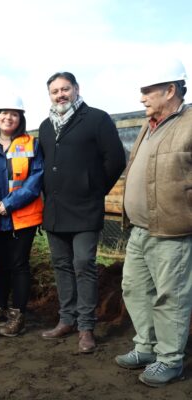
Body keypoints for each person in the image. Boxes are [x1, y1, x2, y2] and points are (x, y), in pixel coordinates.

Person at [115, 59, 192, 387]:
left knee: (170, 296)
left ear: (170, 90)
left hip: (172, 230)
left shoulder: (189, 123)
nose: (142, 98)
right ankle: (145, 347)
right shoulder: (150, 123)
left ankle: (170, 359)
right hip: (140, 229)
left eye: (148, 91)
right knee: (133, 289)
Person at [38, 72, 125, 353]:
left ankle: (86, 327)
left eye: (65, 89)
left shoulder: (97, 119)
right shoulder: (46, 126)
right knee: (62, 266)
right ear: (50, 95)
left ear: (76, 89)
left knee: (84, 264)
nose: (60, 95)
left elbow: (115, 159)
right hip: (54, 210)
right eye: (55, 91)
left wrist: (94, 188)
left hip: (85, 209)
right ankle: (67, 320)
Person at [0, 94, 44, 337]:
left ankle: (18, 314)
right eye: (4, 113)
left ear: (20, 118)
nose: (9, 117)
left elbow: (35, 179)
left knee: (19, 265)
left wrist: (8, 204)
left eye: (14, 114)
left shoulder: (31, 144)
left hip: (23, 217)